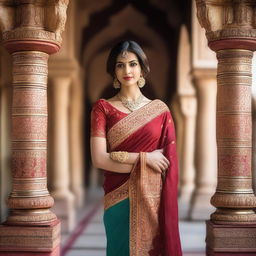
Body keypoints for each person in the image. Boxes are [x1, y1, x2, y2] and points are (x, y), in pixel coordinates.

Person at [90, 40, 182, 256]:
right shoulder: (103, 108)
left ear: (142, 68)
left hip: (153, 199)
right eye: (120, 65)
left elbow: (167, 166)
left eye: (132, 64)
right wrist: (146, 159)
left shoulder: (160, 111)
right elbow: (100, 159)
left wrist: (122, 159)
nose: (127, 70)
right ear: (113, 70)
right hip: (116, 197)